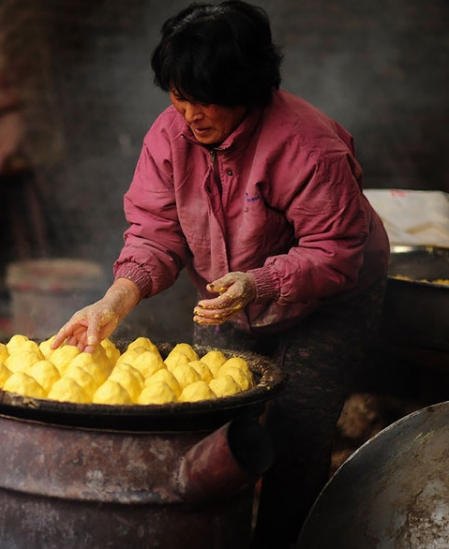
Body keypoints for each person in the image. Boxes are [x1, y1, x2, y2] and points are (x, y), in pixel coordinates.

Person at [51, 2, 390, 548]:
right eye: (179, 96)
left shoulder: (307, 147)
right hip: (226, 293)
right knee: (209, 421)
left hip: (331, 298)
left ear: (248, 89)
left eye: (204, 99)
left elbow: (335, 250)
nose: (189, 114)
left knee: (295, 437)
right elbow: (154, 234)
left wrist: (258, 283)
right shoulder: (170, 137)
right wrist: (111, 304)